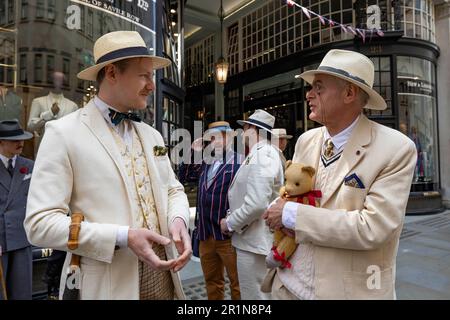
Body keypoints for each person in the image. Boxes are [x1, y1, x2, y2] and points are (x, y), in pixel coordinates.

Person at [24, 31, 192, 300]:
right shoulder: (63, 133)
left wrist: (179, 219)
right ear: (112, 73)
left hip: (167, 284)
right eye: (144, 75)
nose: (151, 85)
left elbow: (173, 189)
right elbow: (39, 224)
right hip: (106, 288)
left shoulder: (152, 136)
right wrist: (122, 237)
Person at [263, 49, 417, 300]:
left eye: (319, 87)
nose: (309, 94)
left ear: (349, 93)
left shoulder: (396, 149)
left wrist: (290, 214)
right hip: (287, 287)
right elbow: (293, 196)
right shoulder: (305, 141)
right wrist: (280, 207)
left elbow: (373, 228)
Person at [220, 109, 284, 300]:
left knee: (255, 297)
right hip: (252, 242)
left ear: (252, 128)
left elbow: (257, 204)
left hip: (255, 244)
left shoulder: (263, 154)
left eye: (245, 127)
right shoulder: (259, 153)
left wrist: (230, 223)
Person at [179, 121, 242, 300]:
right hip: (206, 234)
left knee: (237, 283)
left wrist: (233, 221)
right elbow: (184, 176)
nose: (215, 142)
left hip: (228, 236)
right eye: (212, 138)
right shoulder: (205, 162)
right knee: (212, 281)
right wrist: (193, 152)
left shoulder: (239, 162)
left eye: (219, 137)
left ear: (228, 138)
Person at [0, 120, 34, 300]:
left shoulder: (30, 166)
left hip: (22, 238)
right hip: (0, 238)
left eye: (21, 139)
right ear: (1, 142)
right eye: (14, 140)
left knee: (22, 292)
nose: (20, 143)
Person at [28, 71, 79, 153]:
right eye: (55, 80)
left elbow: (76, 132)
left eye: (61, 80)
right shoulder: (38, 101)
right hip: (44, 149)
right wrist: (50, 113)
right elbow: (30, 126)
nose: (58, 83)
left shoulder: (72, 106)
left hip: (65, 150)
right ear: (50, 82)